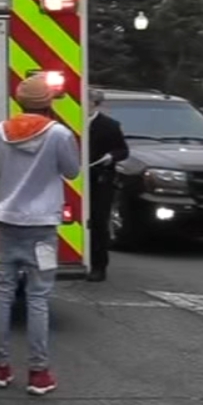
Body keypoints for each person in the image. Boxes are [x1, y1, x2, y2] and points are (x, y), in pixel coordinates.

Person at [0, 73, 80, 396]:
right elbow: (72, 171)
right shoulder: (59, 134)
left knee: (3, 293)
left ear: (20, 101)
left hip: (7, 222)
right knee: (38, 298)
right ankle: (38, 373)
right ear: (48, 103)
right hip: (42, 227)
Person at [87, 89, 129, 282]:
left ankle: (98, 266)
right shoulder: (68, 121)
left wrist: (110, 156)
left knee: (98, 222)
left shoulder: (109, 126)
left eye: (88, 101)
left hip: (100, 180)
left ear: (96, 103)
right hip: (74, 178)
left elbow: (123, 150)